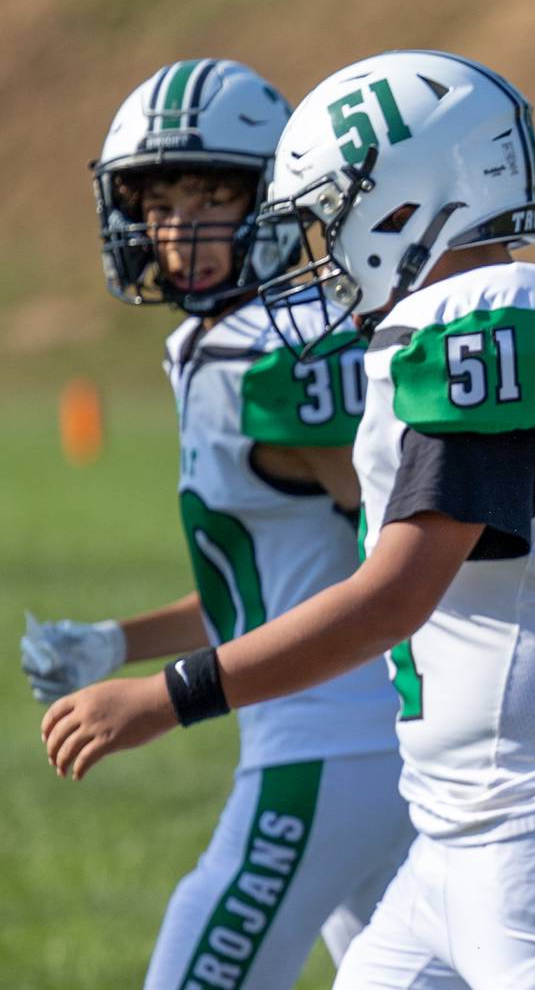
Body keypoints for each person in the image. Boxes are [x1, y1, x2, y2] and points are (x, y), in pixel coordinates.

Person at [42, 49, 535, 989]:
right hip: (461, 826)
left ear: (402, 205)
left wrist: (170, 697)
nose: (321, 255)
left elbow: (391, 598)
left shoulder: (484, 324)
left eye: (328, 220)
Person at [21, 58, 415, 988]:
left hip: (328, 744)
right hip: (361, 743)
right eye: (160, 202)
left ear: (270, 201)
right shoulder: (219, 342)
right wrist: (119, 641)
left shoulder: (275, 353)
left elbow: (402, 550)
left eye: (208, 196)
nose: (178, 227)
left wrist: (163, 695)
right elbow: (284, 586)